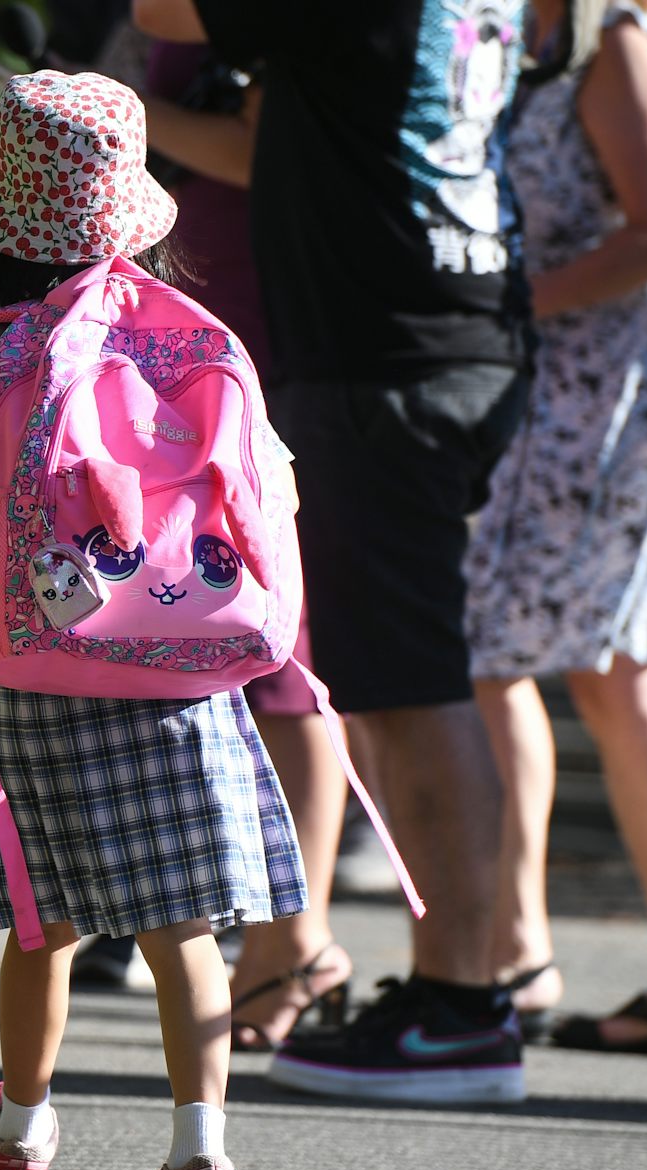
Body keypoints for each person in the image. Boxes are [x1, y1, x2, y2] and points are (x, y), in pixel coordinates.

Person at [0, 70, 308, 1170]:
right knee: (186, 933)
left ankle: (19, 1135)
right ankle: (201, 1158)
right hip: (183, 667)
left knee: (45, 920)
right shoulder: (190, 343)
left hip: (38, 681)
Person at [133, 0, 532, 1104]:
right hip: (445, 330)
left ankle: (464, 1005)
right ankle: (458, 987)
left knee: (413, 683)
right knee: (396, 682)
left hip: (386, 356)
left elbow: (158, 9)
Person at [464, 0, 647, 1055]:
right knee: (507, 656)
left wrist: (502, 306)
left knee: (610, 669)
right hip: (578, 383)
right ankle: (527, 945)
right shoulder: (535, 42)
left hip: (640, 384)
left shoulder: (623, 42)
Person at [132, 39, 355, 1050]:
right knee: (227, 635)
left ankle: (293, 939)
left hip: (256, 324)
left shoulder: (242, 20)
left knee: (280, 650)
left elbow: (271, 150)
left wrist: (124, 112)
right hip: (199, 324)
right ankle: (276, 932)